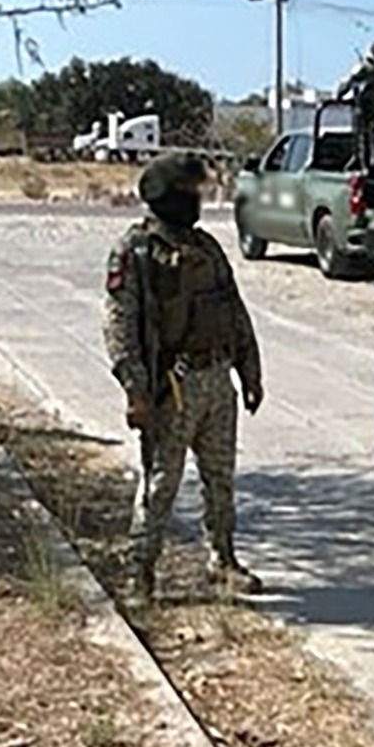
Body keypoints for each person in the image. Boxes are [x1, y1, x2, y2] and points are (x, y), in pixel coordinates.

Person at [107, 150, 265, 606]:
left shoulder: (206, 247)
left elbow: (233, 309)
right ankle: (140, 573)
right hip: (171, 388)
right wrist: (136, 391)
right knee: (161, 484)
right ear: (165, 194)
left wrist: (250, 371)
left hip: (217, 380)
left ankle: (223, 560)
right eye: (189, 190)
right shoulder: (135, 251)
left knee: (221, 479)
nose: (197, 198)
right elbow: (119, 325)